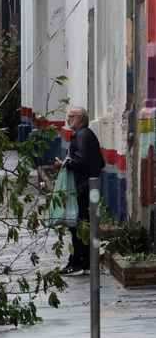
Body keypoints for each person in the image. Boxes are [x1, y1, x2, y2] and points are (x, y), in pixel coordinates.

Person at [60, 107, 106, 275]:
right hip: (87, 186)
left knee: (77, 225)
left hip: (82, 187)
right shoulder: (85, 134)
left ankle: (77, 262)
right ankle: (84, 261)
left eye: (71, 116)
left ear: (81, 118)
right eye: (68, 116)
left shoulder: (82, 135)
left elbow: (83, 161)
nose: (68, 119)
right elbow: (99, 162)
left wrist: (66, 163)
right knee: (82, 224)